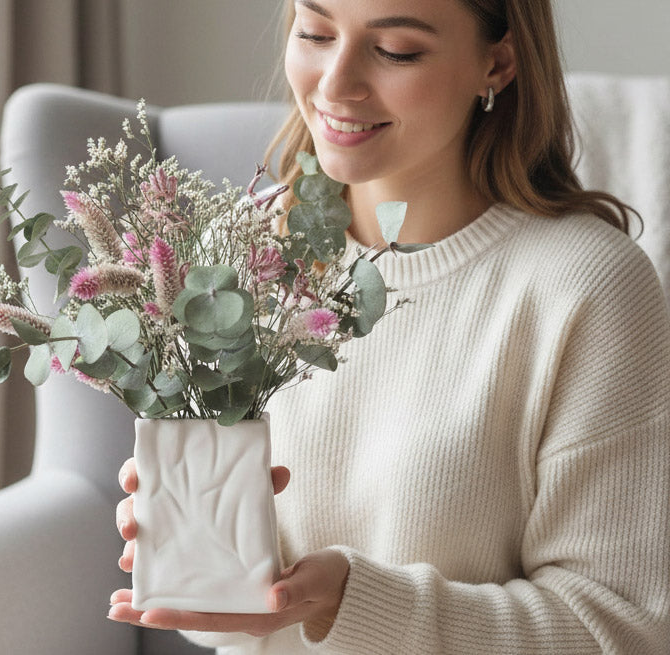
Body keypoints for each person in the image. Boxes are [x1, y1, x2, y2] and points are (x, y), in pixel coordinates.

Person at [109, 0, 670, 652]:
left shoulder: (587, 288)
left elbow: (621, 629)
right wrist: (200, 555)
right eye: (314, 32)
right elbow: (235, 623)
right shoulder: (240, 253)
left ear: (498, 60)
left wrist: (352, 603)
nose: (335, 83)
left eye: (396, 50)